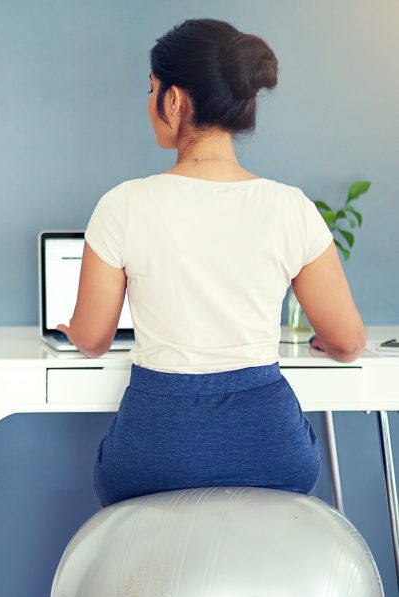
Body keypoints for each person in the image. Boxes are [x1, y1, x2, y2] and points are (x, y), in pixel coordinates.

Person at [56, 18, 366, 509]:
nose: (149, 103)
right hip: (272, 451)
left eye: (152, 89)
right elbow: (349, 342)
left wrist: (73, 330)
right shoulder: (291, 207)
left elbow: (93, 340)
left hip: (154, 452)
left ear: (175, 101)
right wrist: (324, 339)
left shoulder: (124, 204)